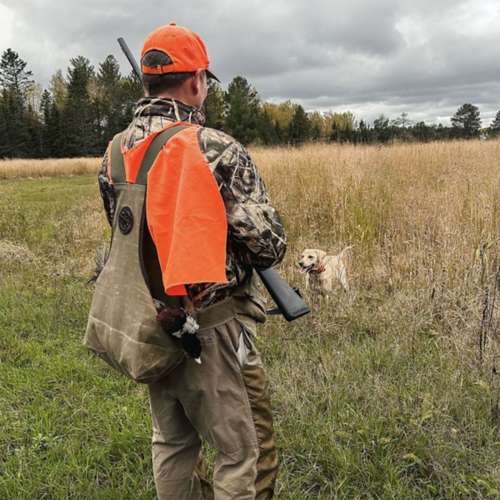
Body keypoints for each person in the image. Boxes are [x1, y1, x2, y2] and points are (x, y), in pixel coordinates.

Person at [97, 22, 287, 499]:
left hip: (154, 318)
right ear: (198, 81)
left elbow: (133, 232)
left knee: (173, 441)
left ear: (148, 81)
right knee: (242, 452)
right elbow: (268, 246)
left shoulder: (116, 151)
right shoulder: (217, 148)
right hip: (214, 326)